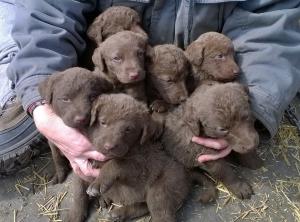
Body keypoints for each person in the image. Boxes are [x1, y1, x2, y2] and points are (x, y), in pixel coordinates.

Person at [1, 0, 299, 181]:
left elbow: (274, 19)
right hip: (101, 67)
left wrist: (253, 104)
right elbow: (49, 13)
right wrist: (42, 101)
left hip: (199, 69)